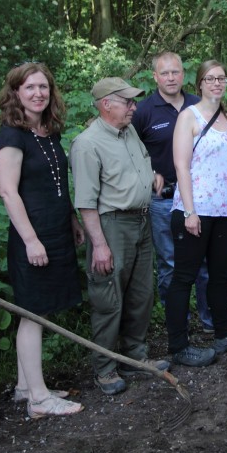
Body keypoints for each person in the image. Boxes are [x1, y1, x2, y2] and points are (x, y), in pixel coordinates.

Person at [131, 52, 227, 334]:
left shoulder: (213, 110)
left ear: (184, 76)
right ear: (155, 77)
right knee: (174, 268)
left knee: (212, 270)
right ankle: (178, 332)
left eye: (176, 72)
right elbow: (133, 150)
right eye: (165, 73)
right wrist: (149, 174)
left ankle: (213, 324)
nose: (171, 77)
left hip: (217, 204)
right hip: (171, 200)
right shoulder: (147, 111)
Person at [0, 63, 84, 418]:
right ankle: (39, 399)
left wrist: (72, 220)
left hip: (57, 230)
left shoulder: (48, 132)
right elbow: (7, 192)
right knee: (33, 313)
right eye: (29, 87)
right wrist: (31, 240)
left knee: (39, 310)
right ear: (16, 92)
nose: (38, 93)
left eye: (43, 87)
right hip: (33, 236)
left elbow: (55, 187)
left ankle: (24, 386)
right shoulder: (11, 135)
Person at [70, 77, 168, 395]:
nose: (134, 107)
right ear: (106, 104)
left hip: (141, 222)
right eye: (128, 102)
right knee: (108, 298)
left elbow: (131, 170)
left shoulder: (129, 133)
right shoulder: (87, 143)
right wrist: (99, 245)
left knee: (141, 295)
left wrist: (151, 177)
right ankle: (105, 367)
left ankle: (135, 357)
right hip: (112, 226)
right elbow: (85, 202)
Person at [167, 61, 227, 366]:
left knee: (220, 276)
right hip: (196, 210)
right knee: (184, 277)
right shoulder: (188, 117)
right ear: (200, 83)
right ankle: (178, 346)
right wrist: (190, 212)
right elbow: (181, 166)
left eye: (222, 78)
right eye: (210, 78)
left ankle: (224, 333)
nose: (217, 83)